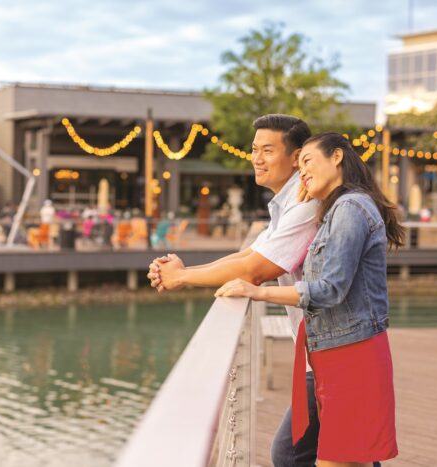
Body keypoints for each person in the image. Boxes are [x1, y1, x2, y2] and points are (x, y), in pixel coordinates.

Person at [216, 132, 404, 466]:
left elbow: (330, 288)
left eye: (307, 162)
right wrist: (306, 201)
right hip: (334, 351)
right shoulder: (337, 209)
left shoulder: (350, 208)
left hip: (351, 354)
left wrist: (259, 291)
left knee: (332, 457)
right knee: (344, 457)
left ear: (336, 157)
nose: (302, 173)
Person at [148, 114, 323, 466]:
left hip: (329, 352)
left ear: (296, 156)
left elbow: (255, 270)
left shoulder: (306, 205)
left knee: (292, 454)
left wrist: (181, 279)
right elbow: (248, 255)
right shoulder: (286, 204)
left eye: (267, 150)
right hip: (318, 352)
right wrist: (183, 272)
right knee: (347, 451)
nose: (256, 157)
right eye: (254, 149)